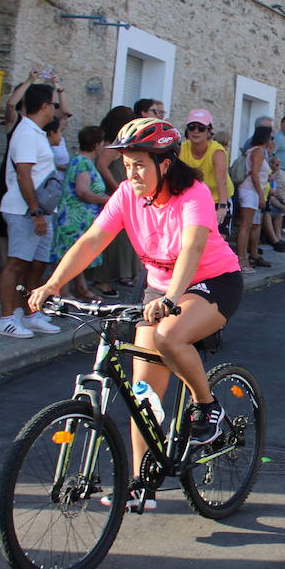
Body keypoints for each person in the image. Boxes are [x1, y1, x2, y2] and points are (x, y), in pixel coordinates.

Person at [29, 118, 245, 510]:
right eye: (126, 165)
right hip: (160, 289)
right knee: (143, 393)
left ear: (164, 163)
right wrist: (53, 285)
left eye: (140, 164)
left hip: (212, 281)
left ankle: (207, 404)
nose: (132, 173)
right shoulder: (128, 194)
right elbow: (94, 239)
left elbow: (193, 247)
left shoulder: (192, 193)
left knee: (168, 336)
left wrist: (172, 297)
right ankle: (140, 482)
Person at [0, 83, 64, 338]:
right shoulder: (25, 132)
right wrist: (35, 211)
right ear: (45, 106)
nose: (55, 109)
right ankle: (6, 318)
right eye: (53, 104)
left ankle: (30, 313)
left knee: (37, 263)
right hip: (24, 210)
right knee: (16, 264)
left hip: (40, 210)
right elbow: (24, 175)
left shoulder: (35, 131)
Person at [50, 126, 109, 301]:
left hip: (80, 218)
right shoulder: (82, 163)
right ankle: (64, 292)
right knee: (70, 253)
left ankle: (81, 288)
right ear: (97, 144)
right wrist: (106, 200)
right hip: (75, 218)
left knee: (78, 254)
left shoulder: (80, 161)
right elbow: (82, 191)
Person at [92, 106, 139, 295]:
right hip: (112, 195)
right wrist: (116, 188)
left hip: (116, 194)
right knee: (109, 239)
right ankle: (101, 279)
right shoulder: (111, 143)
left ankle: (120, 274)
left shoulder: (116, 141)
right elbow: (101, 165)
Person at [178, 109, 231, 233]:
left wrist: (223, 206)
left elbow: (221, 180)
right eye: (192, 127)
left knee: (218, 239)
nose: (196, 131)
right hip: (194, 199)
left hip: (218, 198)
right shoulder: (182, 149)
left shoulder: (217, 152)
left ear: (209, 131)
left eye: (201, 128)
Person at [235, 125, 273, 271]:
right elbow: (255, 174)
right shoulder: (258, 151)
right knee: (246, 225)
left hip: (250, 190)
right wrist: (261, 196)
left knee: (249, 225)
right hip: (250, 191)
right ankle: (242, 259)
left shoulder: (253, 150)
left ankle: (246, 257)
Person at [262, 154, 285, 252]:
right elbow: (270, 197)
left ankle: (278, 238)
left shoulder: (277, 177)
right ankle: (274, 240)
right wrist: (282, 205)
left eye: (278, 164)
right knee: (270, 212)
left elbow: (277, 194)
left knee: (279, 211)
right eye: (275, 164)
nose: (277, 165)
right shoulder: (266, 176)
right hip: (264, 203)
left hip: (272, 203)